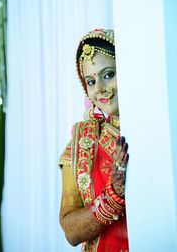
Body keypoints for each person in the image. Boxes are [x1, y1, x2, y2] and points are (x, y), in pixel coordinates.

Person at [59, 29, 129, 252]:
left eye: (108, 74)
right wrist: (112, 196)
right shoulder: (81, 143)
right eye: (90, 81)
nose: (99, 89)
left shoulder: (160, 127)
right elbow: (71, 231)